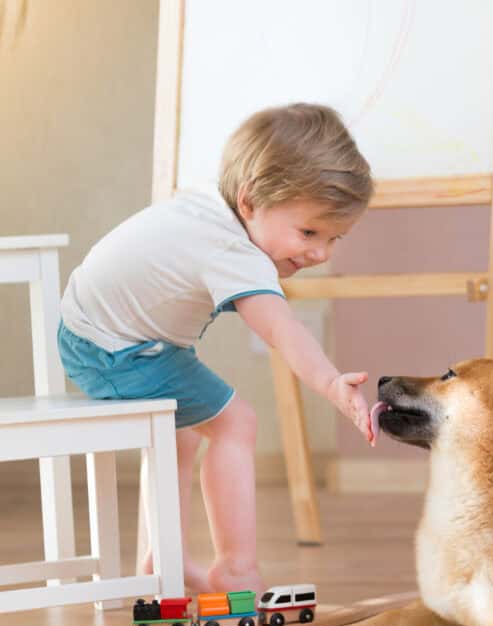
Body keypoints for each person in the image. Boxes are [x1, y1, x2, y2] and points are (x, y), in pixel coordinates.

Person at [58, 103, 373, 593]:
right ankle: (235, 569)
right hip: (117, 350)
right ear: (249, 202)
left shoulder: (209, 206)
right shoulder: (233, 250)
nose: (319, 252)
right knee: (236, 423)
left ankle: (164, 559)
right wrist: (331, 383)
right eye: (309, 232)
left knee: (183, 432)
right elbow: (282, 330)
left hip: (91, 332)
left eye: (335, 238)